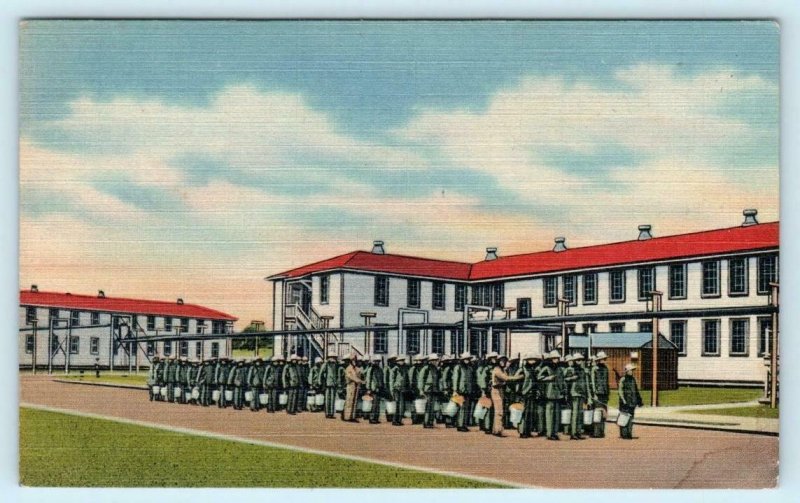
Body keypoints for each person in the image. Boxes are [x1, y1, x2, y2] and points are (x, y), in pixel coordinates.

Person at [489, 354, 523, 437]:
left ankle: (496, 429)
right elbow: (506, 378)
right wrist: (519, 377)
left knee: (499, 411)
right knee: (499, 411)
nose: (503, 362)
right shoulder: (497, 370)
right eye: (501, 361)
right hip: (496, 390)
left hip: (500, 390)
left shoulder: (501, 369)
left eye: (504, 361)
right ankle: (497, 430)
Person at [538, 350, 563, 440]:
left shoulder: (560, 369)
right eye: (554, 358)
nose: (556, 359)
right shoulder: (546, 368)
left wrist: (563, 391)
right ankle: (549, 433)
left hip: (558, 394)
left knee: (556, 415)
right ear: (551, 359)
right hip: (549, 393)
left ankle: (555, 433)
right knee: (549, 414)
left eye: (557, 358)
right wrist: (548, 378)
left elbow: (562, 381)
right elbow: (539, 377)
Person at [564, 353, 588, 440]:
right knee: (574, 414)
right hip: (574, 393)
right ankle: (573, 433)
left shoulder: (582, 370)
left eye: (581, 360)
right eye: (578, 360)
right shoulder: (570, 369)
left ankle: (578, 432)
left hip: (581, 393)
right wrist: (572, 378)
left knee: (579, 414)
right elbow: (563, 379)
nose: (580, 361)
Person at [618, 363, 643, 440]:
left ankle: (629, 433)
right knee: (624, 418)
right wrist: (623, 401)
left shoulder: (633, 379)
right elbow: (620, 391)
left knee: (631, 419)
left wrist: (639, 401)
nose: (632, 372)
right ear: (627, 371)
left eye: (632, 370)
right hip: (625, 403)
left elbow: (636, 391)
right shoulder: (623, 379)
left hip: (632, 402)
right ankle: (624, 434)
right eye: (631, 370)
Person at [517, 353, 540, 438]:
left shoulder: (533, 369)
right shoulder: (522, 369)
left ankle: (528, 431)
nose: (532, 361)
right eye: (530, 359)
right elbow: (515, 380)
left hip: (532, 393)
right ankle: (522, 431)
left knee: (530, 413)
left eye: (533, 359)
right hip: (525, 393)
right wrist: (519, 391)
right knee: (524, 413)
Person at [452, 352, 475, 432]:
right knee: (461, 408)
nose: (467, 360)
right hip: (460, 391)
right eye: (466, 359)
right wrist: (455, 390)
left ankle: (464, 424)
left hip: (467, 390)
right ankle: (460, 425)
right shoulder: (458, 367)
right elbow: (455, 379)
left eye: (468, 359)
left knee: (466, 408)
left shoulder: (469, 368)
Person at [590, 352, 610, 437]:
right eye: (602, 359)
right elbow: (593, 382)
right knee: (597, 413)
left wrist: (608, 392)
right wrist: (594, 393)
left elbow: (607, 381)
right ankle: (596, 432)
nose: (604, 360)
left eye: (604, 359)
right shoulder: (594, 368)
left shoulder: (606, 368)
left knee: (604, 413)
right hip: (597, 393)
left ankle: (602, 432)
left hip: (604, 393)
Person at [419, 354, 441, 429]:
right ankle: (426, 422)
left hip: (434, 389)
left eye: (436, 360)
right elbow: (421, 379)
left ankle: (430, 422)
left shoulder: (436, 369)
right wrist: (421, 389)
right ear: (430, 361)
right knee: (428, 407)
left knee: (432, 407)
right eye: (434, 360)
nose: (436, 361)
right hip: (428, 389)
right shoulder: (426, 368)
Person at [343, 355, 365, 422]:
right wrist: (361, 381)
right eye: (352, 360)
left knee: (355, 401)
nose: (354, 361)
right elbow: (352, 377)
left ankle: (352, 416)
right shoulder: (348, 369)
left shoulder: (357, 369)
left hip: (356, 386)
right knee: (349, 401)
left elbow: (360, 375)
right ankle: (347, 417)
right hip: (350, 385)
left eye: (355, 360)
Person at [364, 355, 384, 424]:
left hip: (379, 388)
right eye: (376, 361)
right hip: (373, 389)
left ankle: (376, 418)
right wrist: (368, 388)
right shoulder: (371, 369)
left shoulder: (380, 369)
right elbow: (368, 379)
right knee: (374, 404)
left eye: (378, 361)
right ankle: (372, 418)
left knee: (377, 405)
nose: (377, 363)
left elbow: (381, 379)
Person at [390, 355, 409, 426]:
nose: (402, 362)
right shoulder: (395, 369)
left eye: (403, 360)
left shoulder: (404, 369)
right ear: (397, 361)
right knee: (397, 405)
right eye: (401, 360)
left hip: (402, 389)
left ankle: (399, 420)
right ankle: (395, 420)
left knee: (401, 405)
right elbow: (391, 381)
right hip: (396, 389)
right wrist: (392, 390)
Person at [408, 355, 425, 424]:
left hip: (421, 388)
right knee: (415, 404)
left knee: (421, 403)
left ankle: (420, 418)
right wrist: (412, 388)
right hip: (414, 388)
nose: (420, 362)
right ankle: (415, 419)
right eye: (419, 360)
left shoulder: (422, 368)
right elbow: (411, 379)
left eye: (421, 360)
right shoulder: (413, 369)